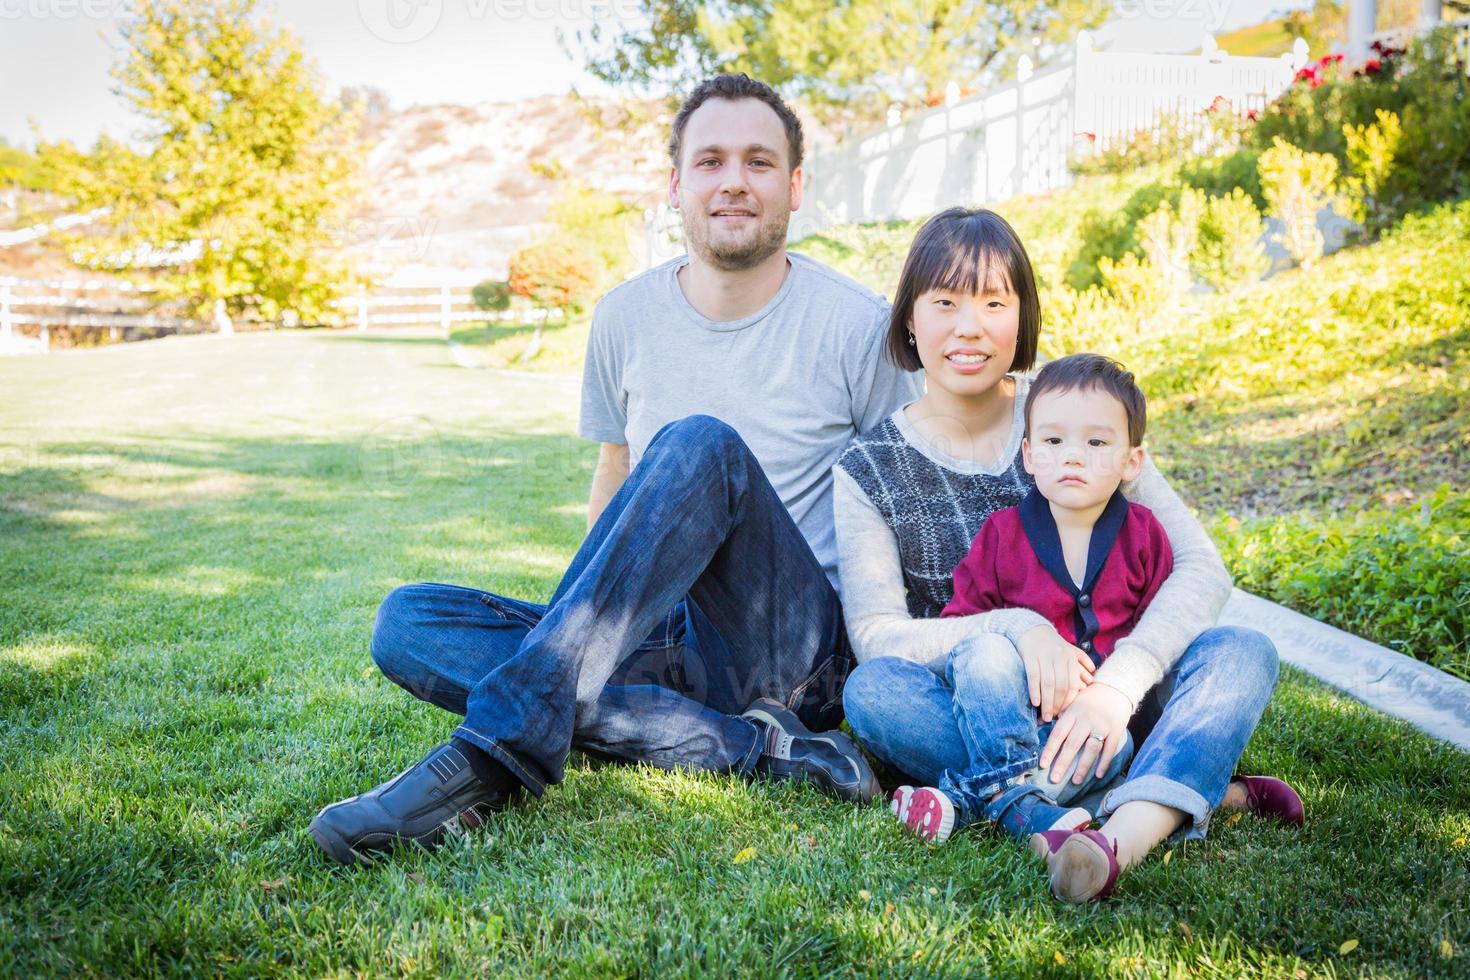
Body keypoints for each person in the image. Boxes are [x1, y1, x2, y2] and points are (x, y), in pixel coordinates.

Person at [306, 73, 921, 866]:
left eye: (760, 162)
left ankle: (490, 759)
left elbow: (903, 499)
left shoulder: (858, 324)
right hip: (659, 633)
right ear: (675, 184)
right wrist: (581, 639)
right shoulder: (624, 318)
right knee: (408, 621)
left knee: (700, 445)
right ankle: (757, 751)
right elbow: (615, 471)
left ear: (795, 187)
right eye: (710, 161)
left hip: (792, 651)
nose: (734, 180)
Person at [835, 207, 1303, 904]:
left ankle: (1074, 816)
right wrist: (1015, 626)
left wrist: (1117, 688)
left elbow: (1200, 569)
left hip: (1115, 705)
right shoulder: (869, 468)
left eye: (995, 302)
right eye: (945, 302)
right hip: (983, 705)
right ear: (909, 319)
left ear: (1022, 318)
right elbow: (877, 638)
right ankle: (1157, 792)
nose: (970, 326)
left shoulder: (1073, 414)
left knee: (1242, 651)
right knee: (871, 693)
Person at [891, 353, 1174, 847]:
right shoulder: (1001, 536)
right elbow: (962, 633)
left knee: (1118, 741)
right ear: (1027, 453)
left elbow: (1160, 638)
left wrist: (1107, 693)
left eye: (1096, 442)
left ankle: (972, 801)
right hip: (1002, 713)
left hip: (1092, 730)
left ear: (1132, 461)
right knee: (900, 679)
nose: (1072, 455)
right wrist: (1019, 643)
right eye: (1053, 440)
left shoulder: (1144, 537)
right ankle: (1032, 802)